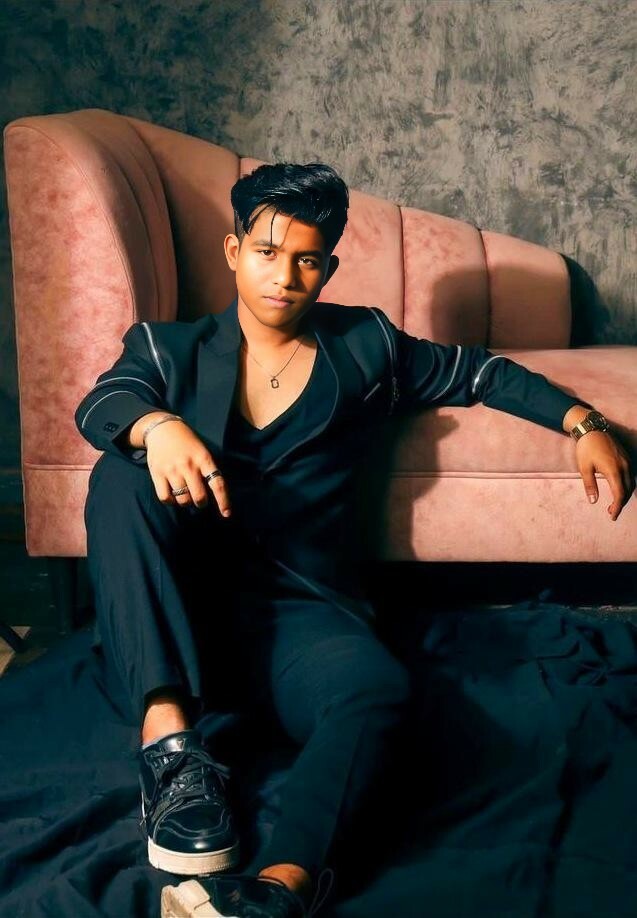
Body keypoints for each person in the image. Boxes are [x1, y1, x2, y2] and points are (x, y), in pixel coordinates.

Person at [74, 162, 634, 918]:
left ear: (329, 268)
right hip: (177, 608)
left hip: (300, 612)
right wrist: (157, 424)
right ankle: (170, 748)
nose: (285, 278)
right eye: (267, 253)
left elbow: (477, 373)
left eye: (307, 260)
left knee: (378, 692)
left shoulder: (366, 345)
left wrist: (584, 423)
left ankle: (275, 891)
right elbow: (104, 402)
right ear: (234, 251)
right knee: (122, 474)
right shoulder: (167, 348)